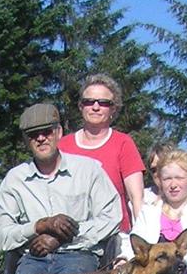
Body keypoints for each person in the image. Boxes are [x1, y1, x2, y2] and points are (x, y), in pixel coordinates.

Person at [0, 102, 121, 274]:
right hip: (32, 260)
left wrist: (63, 238)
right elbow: (1, 236)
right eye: (33, 134)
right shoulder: (14, 180)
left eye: (46, 132)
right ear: (25, 140)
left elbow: (111, 219)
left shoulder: (89, 170)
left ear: (58, 132)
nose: (40, 138)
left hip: (80, 257)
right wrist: (39, 226)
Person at [57, 74, 145, 235]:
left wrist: (142, 236)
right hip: (70, 236)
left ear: (113, 109)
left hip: (115, 234)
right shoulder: (63, 145)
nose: (95, 107)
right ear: (81, 106)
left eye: (103, 103)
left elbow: (136, 197)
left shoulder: (123, 143)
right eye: (89, 102)